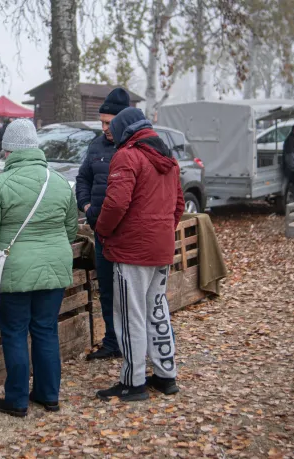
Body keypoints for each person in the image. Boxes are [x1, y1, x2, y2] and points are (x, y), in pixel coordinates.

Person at [0, 119, 78, 417]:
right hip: (54, 269)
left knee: (14, 333)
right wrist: (51, 252)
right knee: (46, 331)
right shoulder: (60, 182)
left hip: (14, 271)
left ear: (8, 151)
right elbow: (70, 229)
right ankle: (48, 395)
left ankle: (16, 400)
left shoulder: (0, 185)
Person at [94, 108, 184, 402]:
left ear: (125, 132)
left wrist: (103, 231)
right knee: (156, 311)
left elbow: (116, 203)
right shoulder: (168, 157)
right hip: (160, 248)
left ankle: (133, 382)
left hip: (131, 250)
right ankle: (165, 374)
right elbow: (179, 204)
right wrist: (163, 231)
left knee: (130, 315)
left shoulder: (127, 155)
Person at [75, 87, 131, 361]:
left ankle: (132, 341)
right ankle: (112, 341)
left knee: (129, 293)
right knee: (106, 290)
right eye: (102, 122)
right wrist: (86, 206)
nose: (105, 128)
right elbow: (83, 178)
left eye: (109, 123)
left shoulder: (132, 148)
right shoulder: (96, 146)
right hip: (101, 233)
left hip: (127, 235)